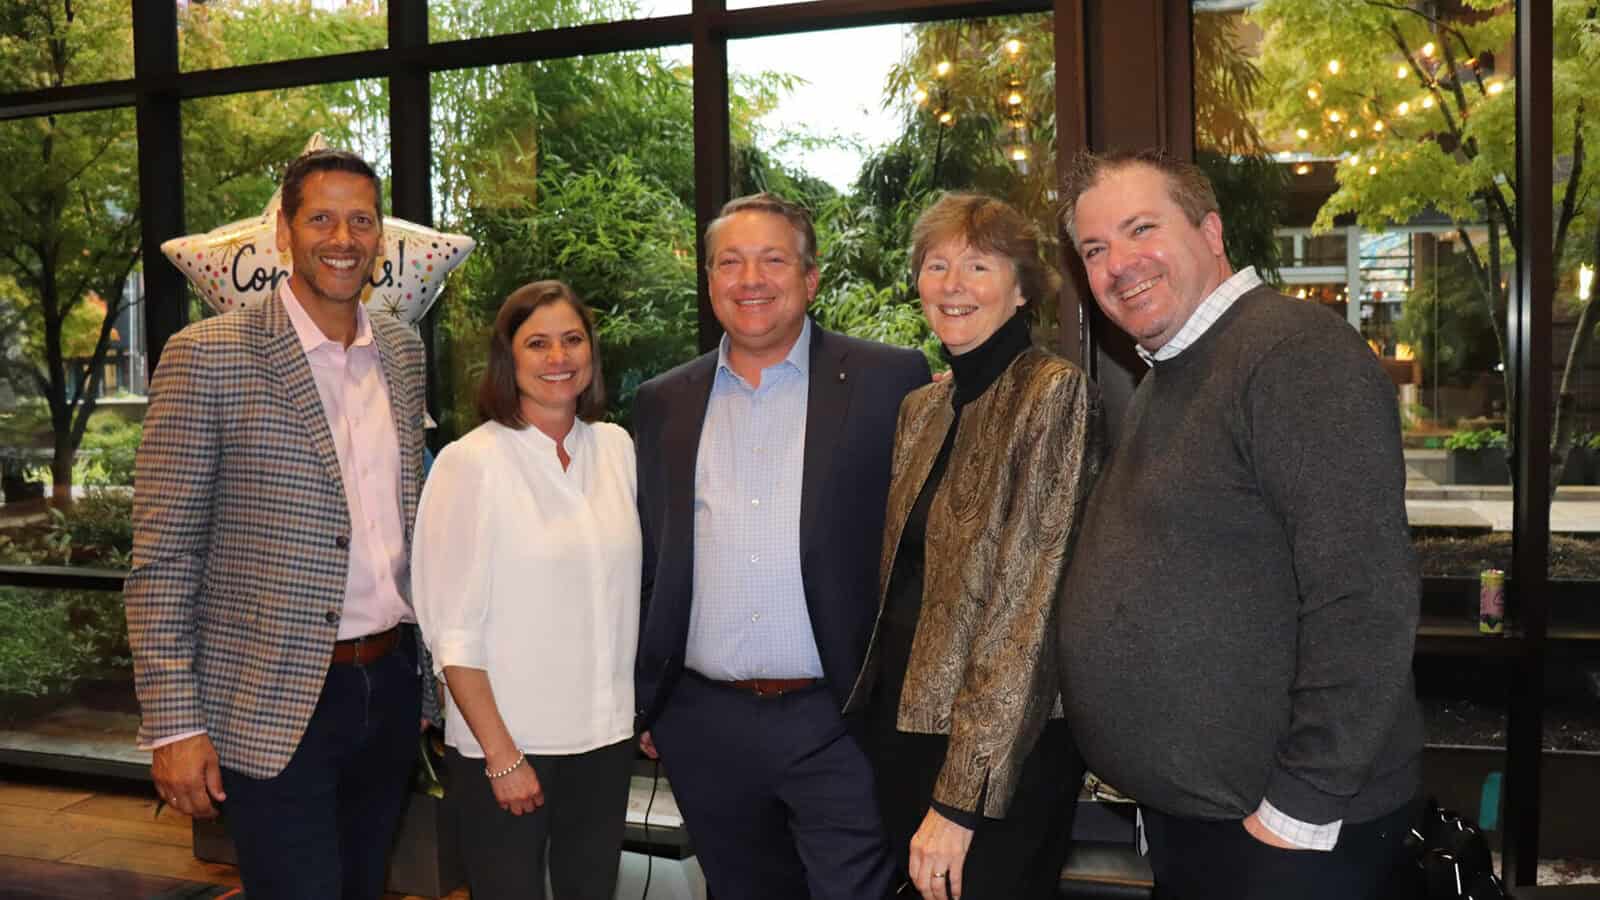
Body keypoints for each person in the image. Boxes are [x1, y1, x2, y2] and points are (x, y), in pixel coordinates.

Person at [1057, 148, 1422, 900]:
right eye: (1095, 249)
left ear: (1211, 231)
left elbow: (1364, 596)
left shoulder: (1292, 357)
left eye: (1140, 229)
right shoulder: (1178, 369)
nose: (1119, 263)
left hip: (1291, 836)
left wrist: (1300, 809)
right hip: (1207, 823)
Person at [125, 148, 428, 900]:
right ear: (285, 233)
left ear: (380, 240)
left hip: (388, 687)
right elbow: (162, 558)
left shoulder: (402, 349)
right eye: (320, 217)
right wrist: (174, 725)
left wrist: (428, 692)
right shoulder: (207, 357)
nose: (343, 237)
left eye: (361, 220)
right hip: (271, 702)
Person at [632, 192, 931, 900]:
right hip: (705, 724)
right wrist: (653, 700)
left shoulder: (891, 380)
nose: (750, 279)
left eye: (772, 259)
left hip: (838, 718)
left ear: (810, 278)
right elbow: (653, 556)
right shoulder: (662, 401)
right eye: (729, 263)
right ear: (709, 284)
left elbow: (925, 547)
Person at [842, 193, 1103, 900]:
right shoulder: (921, 409)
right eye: (936, 265)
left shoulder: (1053, 395)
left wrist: (960, 798)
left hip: (1001, 751)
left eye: (978, 266)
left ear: (1022, 291)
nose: (952, 284)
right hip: (903, 728)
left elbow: (1028, 609)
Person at [412, 281, 638, 900]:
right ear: (508, 359)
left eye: (572, 340)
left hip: (605, 739)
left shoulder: (617, 450)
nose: (558, 357)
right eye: (536, 343)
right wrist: (502, 756)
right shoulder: (471, 464)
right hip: (508, 747)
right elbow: (451, 634)